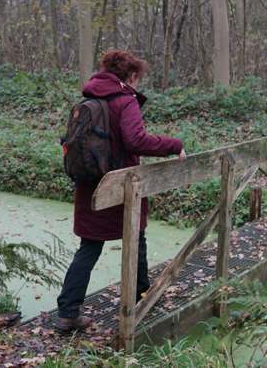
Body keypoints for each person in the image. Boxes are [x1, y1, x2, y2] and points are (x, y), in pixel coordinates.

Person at [56, 50, 186, 331]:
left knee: (89, 248)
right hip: (120, 186)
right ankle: (142, 295)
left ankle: (67, 311)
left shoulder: (90, 97)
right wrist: (174, 145)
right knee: (136, 238)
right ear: (131, 76)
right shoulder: (125, 100)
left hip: (90, 185)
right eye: (138, 78)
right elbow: (136, 140)